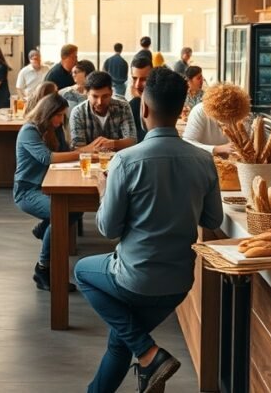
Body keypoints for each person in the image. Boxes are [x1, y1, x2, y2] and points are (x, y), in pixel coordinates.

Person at [75, 67, 223, 393]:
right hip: (179, 283)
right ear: (182, 107)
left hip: (134, 279)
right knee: (121, 341)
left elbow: (108, 228)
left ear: (143, 109)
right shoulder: (203, 160)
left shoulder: (126, 161)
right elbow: (212, 221)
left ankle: (149, 354)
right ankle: (145, 362)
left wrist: (104, 190)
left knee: (82, 271)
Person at [14, 94, 108, 291]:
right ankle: (43, 269)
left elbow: (67, 152)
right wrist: (86, 151)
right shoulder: (29, 131)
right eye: (57, 116)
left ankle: (44, 229)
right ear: (46, 113)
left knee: (75, 210)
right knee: (62, 214)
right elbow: (46, 158)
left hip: (46, 187)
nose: (60, 120)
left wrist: (91, 151)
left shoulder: (52, 130)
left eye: (62, 116)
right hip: (27, 191)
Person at [70, 71, 137, 151]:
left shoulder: (123, 107)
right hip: (90, 162)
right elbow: (77, 149)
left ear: (111, 92)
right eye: (95, 96)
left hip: (118, 160)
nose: (100, 102)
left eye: (105, 96)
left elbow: (132, 141)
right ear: (87, 93)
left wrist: (112, 143)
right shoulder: (78, 112)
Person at [128, 57, 152, 143]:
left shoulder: (158, 103)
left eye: (143, 79)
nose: (137, 85)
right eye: (134, 78)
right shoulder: (132, 105)